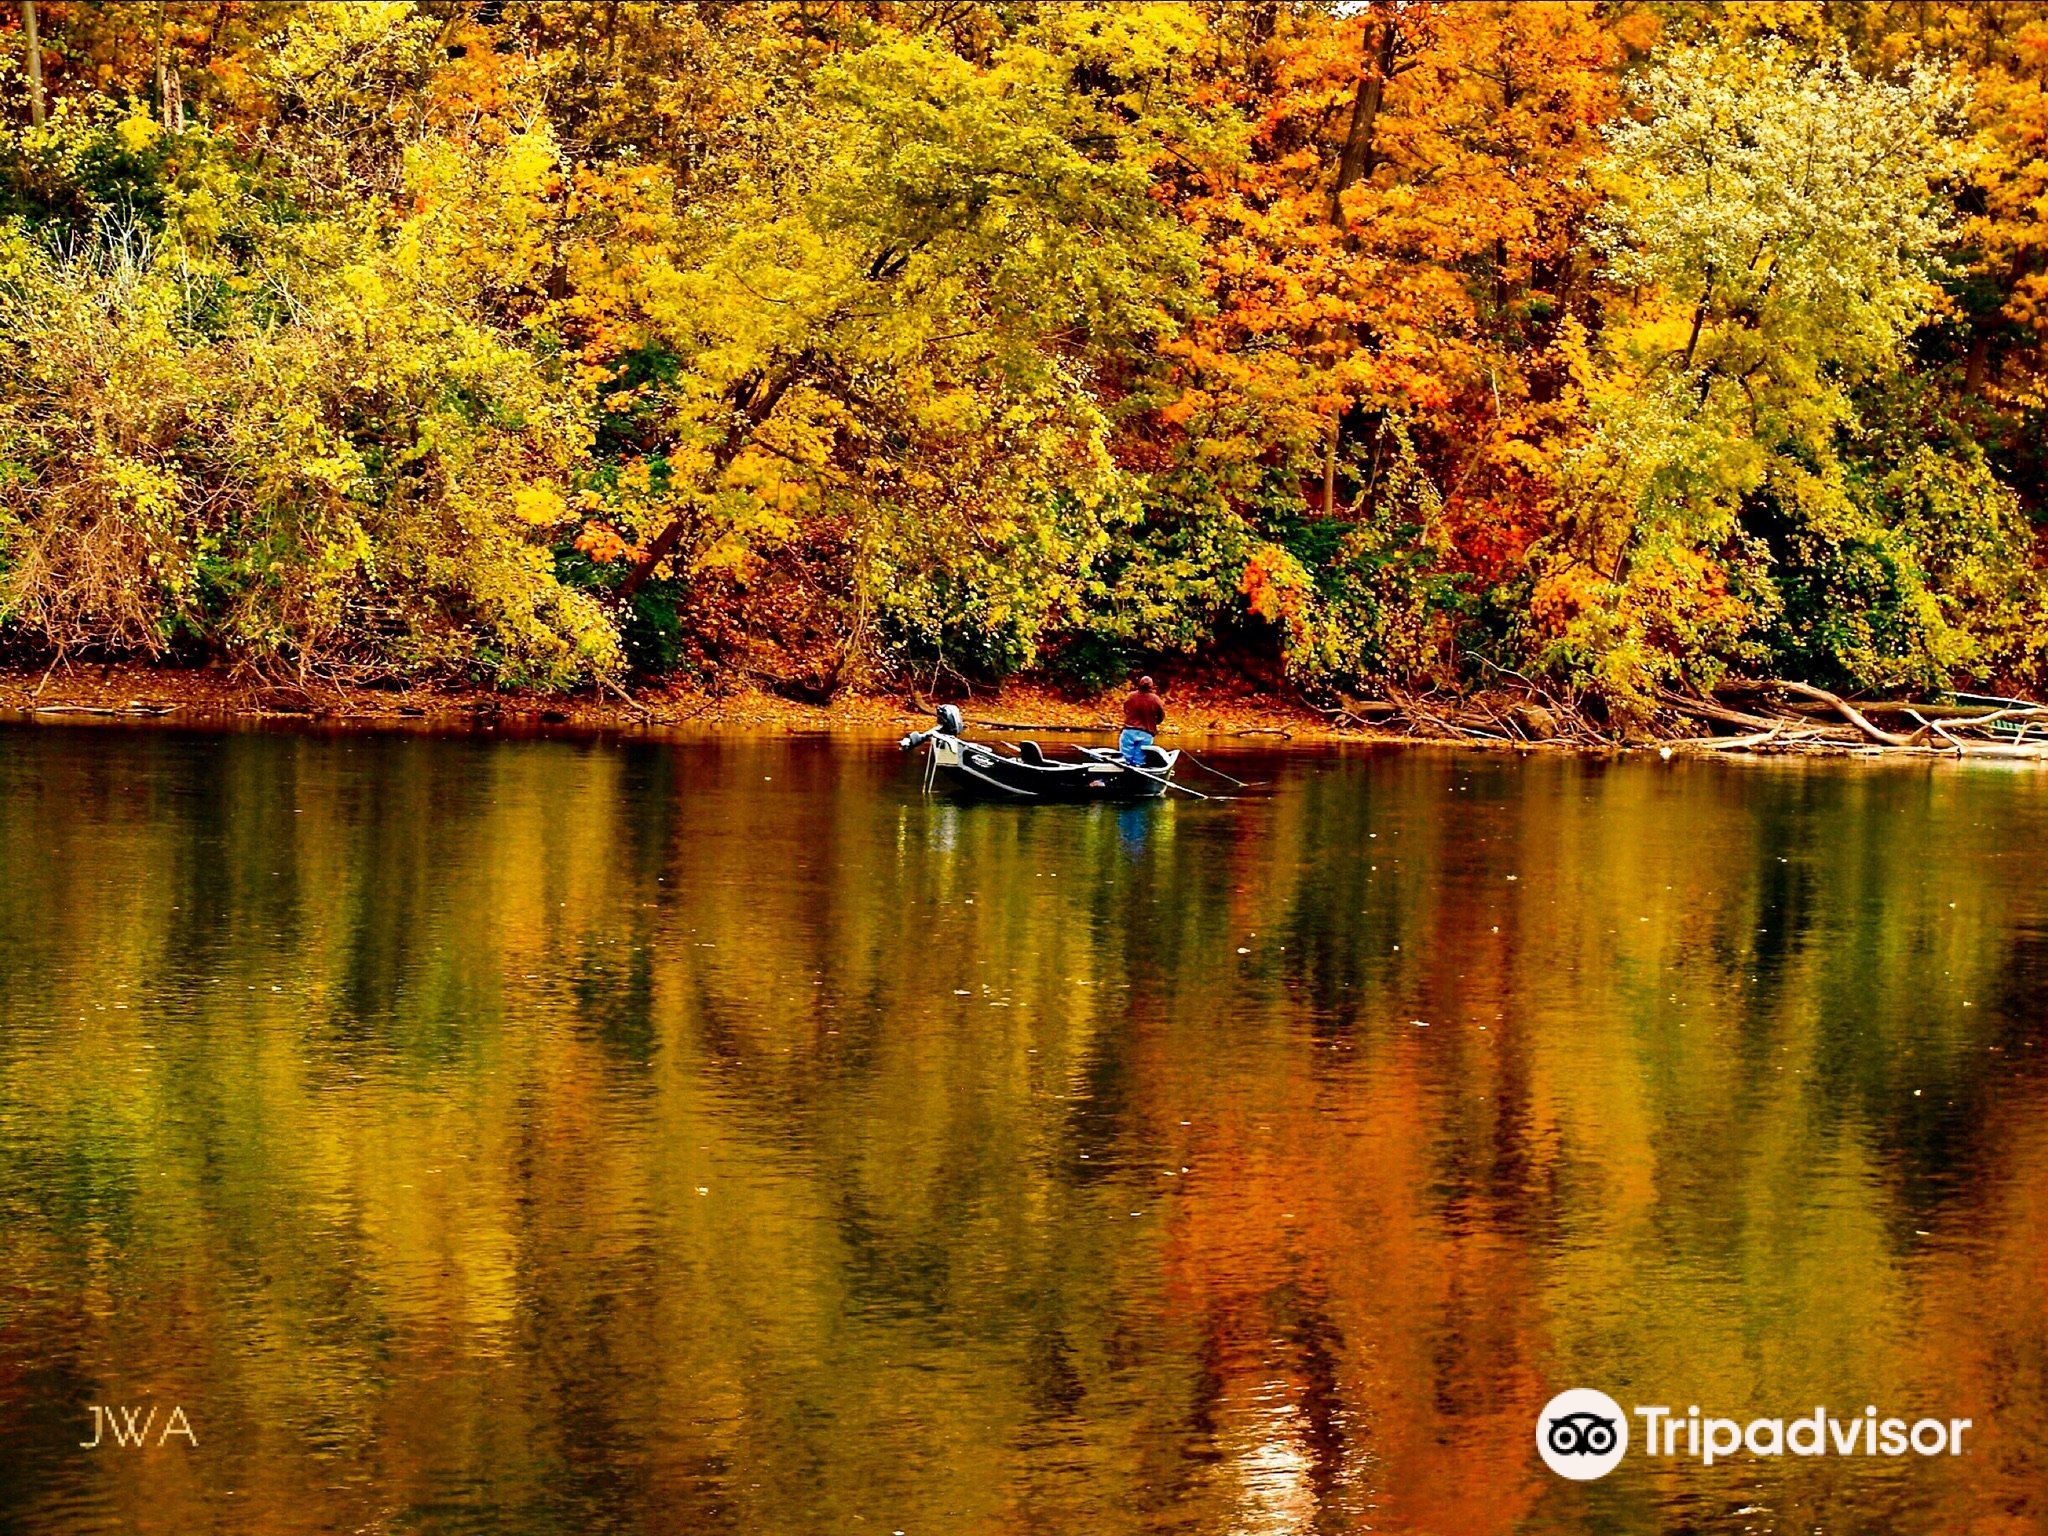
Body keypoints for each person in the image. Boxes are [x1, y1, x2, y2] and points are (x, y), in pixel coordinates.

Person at [1120, 676, 1165, 767]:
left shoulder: (1131, 696)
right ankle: (1138, 771)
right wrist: (1156, 722)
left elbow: (1125, 709)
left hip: (1129, 732)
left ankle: (1125, 770)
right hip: (1146, 734)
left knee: (1125, 760)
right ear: (1151, 687)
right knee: (1139, 761)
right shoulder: (1155, 699)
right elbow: (1161, 715)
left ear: (1139, 685)